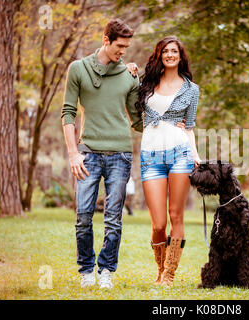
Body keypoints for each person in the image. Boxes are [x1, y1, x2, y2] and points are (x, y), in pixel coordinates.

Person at [61, 19, 142, 289]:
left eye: (127, 47)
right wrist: (73, 154)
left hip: (120, 154)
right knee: (83, 216)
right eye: (120, 46)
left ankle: (106, 270)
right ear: (105, 40)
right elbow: (68, 113)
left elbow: (138, 119)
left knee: (113, 218)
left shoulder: (129, 75)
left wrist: (171, 122)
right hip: (88, 153)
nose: (123, 52)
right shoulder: (78, 69)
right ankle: (86, 270)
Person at [136, 36, 201, 287]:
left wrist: (195, 154)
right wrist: (130, 68)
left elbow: (190, 126)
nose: (170, 55)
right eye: (166, 51)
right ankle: (160, 267)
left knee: (176, 216)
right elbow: (130, 101)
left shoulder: (191, 89)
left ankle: (168, 275)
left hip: (180, 154)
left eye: (174, 51)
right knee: (158, 223)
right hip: (150, 156)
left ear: (180, 56)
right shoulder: (147, 83)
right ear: (159, 55)